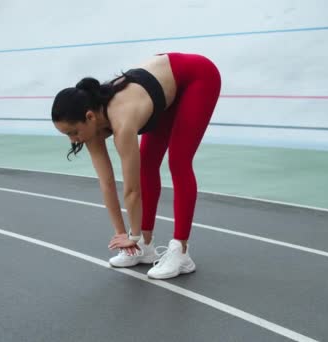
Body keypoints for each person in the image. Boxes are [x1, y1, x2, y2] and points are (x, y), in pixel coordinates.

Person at [51, 52, 221, 279]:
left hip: (196, 76)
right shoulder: (89, 129)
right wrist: (123, 235)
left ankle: (181, 251)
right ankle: (145, 247)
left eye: (72, 132)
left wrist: (132, 233)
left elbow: (132, 191)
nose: (73, 140)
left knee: (178, 162)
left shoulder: (122, 123)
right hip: (163, 90)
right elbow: (107, 183)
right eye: (67, 135)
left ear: (90, 117)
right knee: (147, 166)